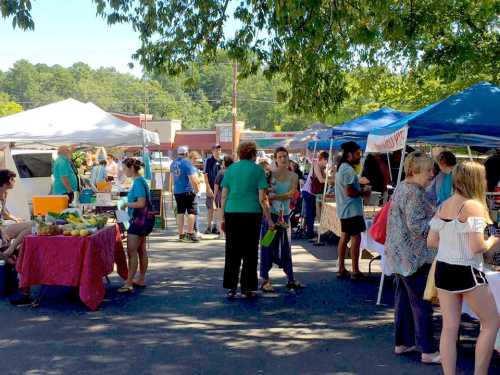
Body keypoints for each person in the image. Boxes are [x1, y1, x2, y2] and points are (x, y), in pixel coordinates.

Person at [428, 161, 500, 375]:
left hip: (443, 269)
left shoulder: (444, 205)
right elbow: (477, 246)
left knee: (449, 328)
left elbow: (431, 240)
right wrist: (494, 240)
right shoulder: (474, 206)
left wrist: (452, 243)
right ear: (476, 180)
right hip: (466, 271)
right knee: (491, 322)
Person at [385, 151, 440, 364]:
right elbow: (417, 226)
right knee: (421, 303)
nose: (431, 174)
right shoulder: (414, 192)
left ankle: (403, 342)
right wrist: (440, 221)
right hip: (413, 258)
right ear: (413, 171)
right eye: (428, 170)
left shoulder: (402, 188)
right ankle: (427, 350)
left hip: (399, 256)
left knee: (404, 302)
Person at [221, 141, 272, 299]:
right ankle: (248, 287)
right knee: (250, 251)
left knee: (232, 251)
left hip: (232, 212)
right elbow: (262, 198)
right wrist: (269, 218)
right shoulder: (258, 170)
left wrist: (221, 216)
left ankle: (231, 287)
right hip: (251, 213)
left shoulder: (231, 170)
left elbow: (224, 195)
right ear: (253, 154)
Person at [260, 147, 301, 293]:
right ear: (275, 159)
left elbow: (291, 194)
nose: (283, 159)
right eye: (280, 156)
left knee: (286, 247)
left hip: (285, 216)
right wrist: (268, 216)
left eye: (285, 156)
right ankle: (265, 280)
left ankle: (290, 279)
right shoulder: (268, 174)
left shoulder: (294, 176)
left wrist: (274, 197)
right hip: (270, 216)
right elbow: (263, 196)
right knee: (267, 246)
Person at [335, 142, 369, 280]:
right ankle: (355, 270)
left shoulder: (342, 168)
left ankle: (341, 268)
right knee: (356, 237)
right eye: (357, 154)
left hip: (345, 208)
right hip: (351, 209)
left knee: (345, 237)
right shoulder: (348, 170)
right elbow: (349, 191)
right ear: (349, 154)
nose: (359, 156)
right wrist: (363, 191)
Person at [117, 158, 151, 293]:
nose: (124, 172)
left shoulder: (137, 182)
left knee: (131, 252)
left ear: (131, 168)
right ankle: (140, 278)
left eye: (125, 169)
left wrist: (126, 204)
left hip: (138, 220)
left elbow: (141, 203)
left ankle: (129, 282)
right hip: (143, 220)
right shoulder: (140, 180)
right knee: (141, 250)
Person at [170, 146, 200, 243]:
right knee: (191, 212)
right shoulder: (187, 163)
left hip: (177, 191)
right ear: (187, 153)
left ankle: (181, 234)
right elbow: (192, 178)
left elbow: (171, 178)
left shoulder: (173, 163)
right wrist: (197, 190)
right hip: (187, 190)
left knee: (180, 212)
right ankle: (190, 233)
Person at [301, 151, 328, 239]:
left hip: (311, 192)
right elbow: (321, 180)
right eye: (326, 161)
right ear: (322, 159)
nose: (327, 163)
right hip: (308, 192)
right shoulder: (316, 165)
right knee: (310, 213)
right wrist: (333, 179)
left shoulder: (321, 168)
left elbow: (324, 178)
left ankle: (309, 231)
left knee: (311, 213)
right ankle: (309, 233)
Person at [213, 155, 234, 240]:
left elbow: (216, 185)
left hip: (221, 195)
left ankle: (222, 234)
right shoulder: (234, 171)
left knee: (221, 215)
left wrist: (214, 196)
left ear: (225, 163)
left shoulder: (221, 172)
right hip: (232, 196)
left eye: (223, 162)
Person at [203, 144, 222, 234]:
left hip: (220, 189)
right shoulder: (209, 161)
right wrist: (207, 188)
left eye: (219, 150)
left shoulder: (222, 161)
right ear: (212, 151)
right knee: (210, 208)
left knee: (218, 209)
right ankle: (208, 227)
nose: (218, 151)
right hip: (211, 187)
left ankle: (216, 226)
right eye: (216, 150)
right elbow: (205, 175)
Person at [189, 150, 204, 238]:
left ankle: (194, 230)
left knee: (194, 212)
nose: (196, 161)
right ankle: (195, 231)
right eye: (194, 159)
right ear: (190, 158)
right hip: (193, 192)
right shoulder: (191, 168)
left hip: (194, 192)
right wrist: (199, 180)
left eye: (197, 159)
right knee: (195, 212)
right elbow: (195, 180)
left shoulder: (193, 168)